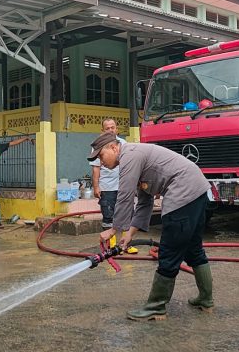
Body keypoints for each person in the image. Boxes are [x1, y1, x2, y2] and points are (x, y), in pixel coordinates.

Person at [91, 132, 213, 321]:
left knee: (168, 252)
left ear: (113, 148)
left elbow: (124, 195)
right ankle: (206, 301)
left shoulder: (129, 156)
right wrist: (129, 234)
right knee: (193, 249)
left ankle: (156, 307)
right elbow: (144, 202)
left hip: (183, 194)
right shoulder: (136, 156)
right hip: (197, 192)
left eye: (101, 156)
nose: (101, 162)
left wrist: (114, 229)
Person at [89, 119, 137, 254]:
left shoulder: (124, 144)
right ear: (102, 131)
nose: (110, 130)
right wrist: (96, 187)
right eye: (107, 128)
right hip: (107, 187)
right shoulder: (98, 146)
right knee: (109, 216)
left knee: (128, 214)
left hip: (123, 186)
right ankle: (111, 247)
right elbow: (96, 169)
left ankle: (126, 244)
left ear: (117, 129)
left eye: (113, 127)